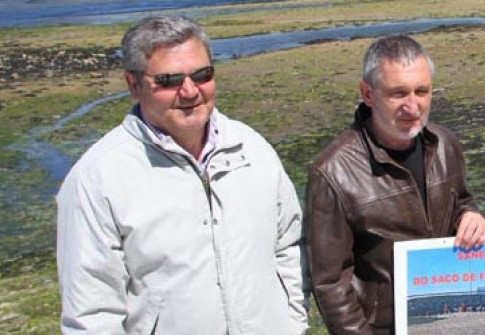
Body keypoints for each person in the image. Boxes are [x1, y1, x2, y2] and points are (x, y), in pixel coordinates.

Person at [55, 16, 307, 334]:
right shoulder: (97, 179)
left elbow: (289, 245)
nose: (189, 91)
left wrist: (293, 322)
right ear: (133, 85)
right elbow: (91, 315)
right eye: (169, 80)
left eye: (202, 75)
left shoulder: (252, 149)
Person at [304, 34, 485, 334]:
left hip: (449, 318)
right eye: (398, 93)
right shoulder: (332, 172)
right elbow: (330, 284)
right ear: (368, 94)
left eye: (422, 91)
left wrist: (474, 216)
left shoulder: (445, 144)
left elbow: (463, 201)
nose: (413, 106)